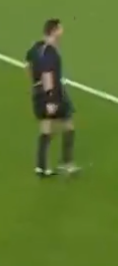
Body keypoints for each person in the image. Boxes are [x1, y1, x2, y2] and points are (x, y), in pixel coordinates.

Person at [27, 19, 77, 178]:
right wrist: (51, 99)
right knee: (68, 124)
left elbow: (27, 65)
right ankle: (67, 164)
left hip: (38, 92)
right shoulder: (50, 53)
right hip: (52, 94)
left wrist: (35, 84)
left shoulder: (36, 47)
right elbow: (48, 75)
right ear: (54, 31)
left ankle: (41, 166)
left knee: (46, 126)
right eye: (60, 28)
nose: (62, 31)